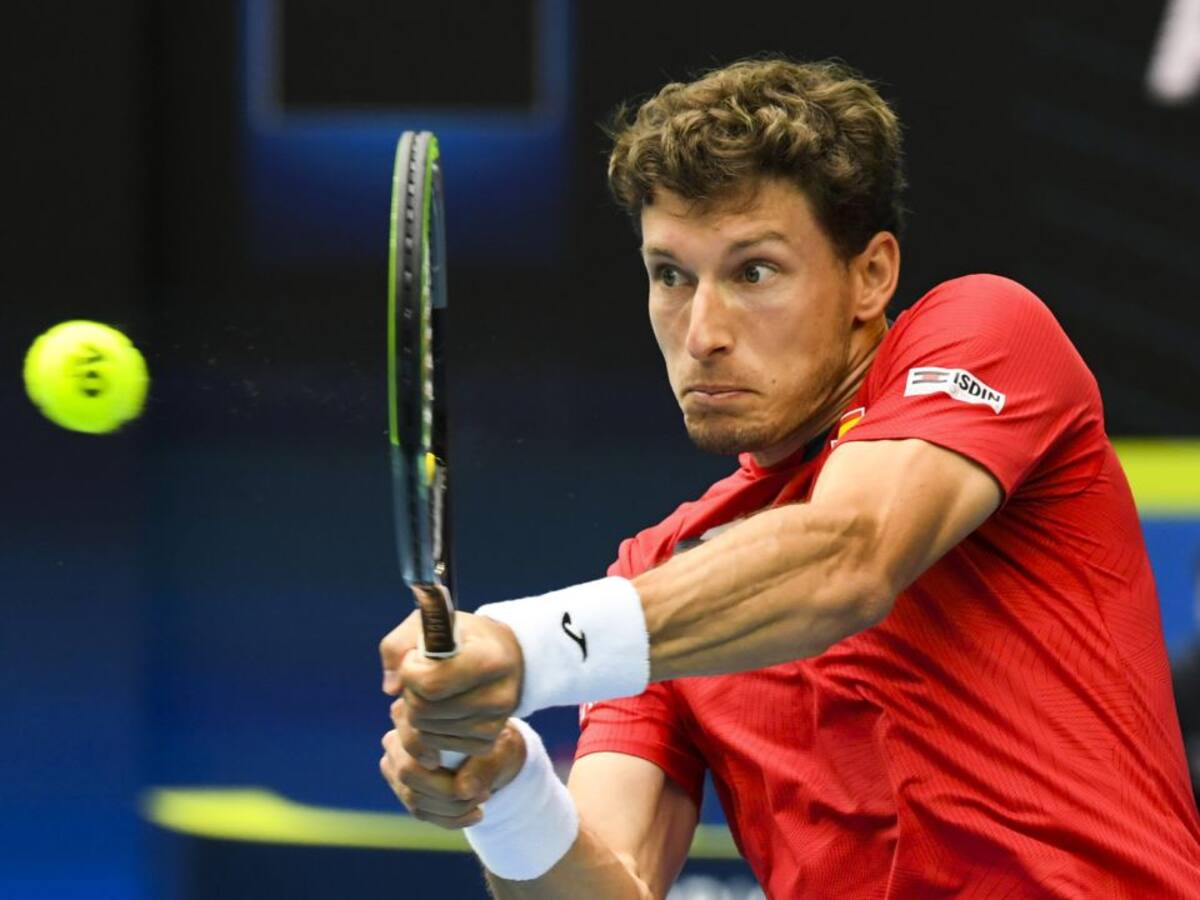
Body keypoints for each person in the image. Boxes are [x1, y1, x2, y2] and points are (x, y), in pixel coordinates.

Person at [378, 58, 1200, 898]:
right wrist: (507, 791)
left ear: (871, 275)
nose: (702, 332)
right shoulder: (657, 579)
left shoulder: (986, 332)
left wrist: (525, 647)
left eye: (754, 272)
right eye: (670, 276)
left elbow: (848, 558)